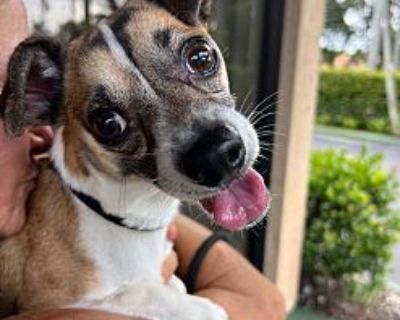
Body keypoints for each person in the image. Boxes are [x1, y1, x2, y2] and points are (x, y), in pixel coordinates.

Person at [0, 1, 286, 319]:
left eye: (198, 60)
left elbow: (268, 302)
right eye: (112, 123)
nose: (212, 148)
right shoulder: (54, 251)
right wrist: (153, 300)